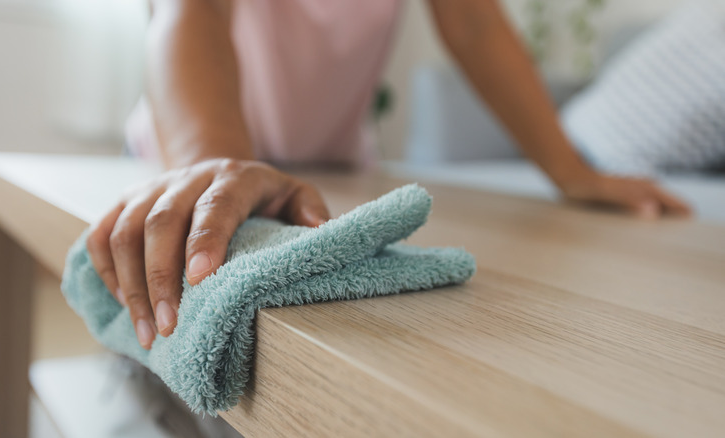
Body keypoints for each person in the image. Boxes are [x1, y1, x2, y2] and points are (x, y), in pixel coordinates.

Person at [86, 0, 691, 349]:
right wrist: (214, 163)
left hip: (330, 170)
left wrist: (570, 169)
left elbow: (475, 23)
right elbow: (189, 11)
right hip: (186, 158)